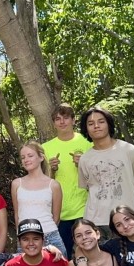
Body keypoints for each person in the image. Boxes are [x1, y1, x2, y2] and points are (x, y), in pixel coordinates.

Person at [77, 108, 134, 238]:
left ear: (109, 124)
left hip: (125, 220)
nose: (96, 126)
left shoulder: (129, 150)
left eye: (101, 121)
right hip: (96, 222)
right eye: (91, 123)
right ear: (86, 128)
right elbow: (90, 188)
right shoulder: (85, 159)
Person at [43, 104, 93, 258]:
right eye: (58, 119)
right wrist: (52, 170)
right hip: (59, 213)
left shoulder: (87, 143)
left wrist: (82, 165)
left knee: (88, 253)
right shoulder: (45, 147)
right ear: (53, 123)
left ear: (73, 120)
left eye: (65, 118)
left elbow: (98, 178)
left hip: (85, 209)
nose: (62, 122)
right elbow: (44, 183)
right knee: (63, 257)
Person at [11, 141, 66, 256]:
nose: (26, 159)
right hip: (25, 238)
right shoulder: (16, 184)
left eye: (30, 156)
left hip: (50, 236)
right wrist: (22, 236)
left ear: (41, 157)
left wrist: (43, 235)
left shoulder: (54, 185)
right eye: (23, 157)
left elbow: (56, 217)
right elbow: (17, 215)